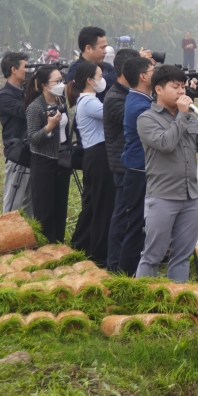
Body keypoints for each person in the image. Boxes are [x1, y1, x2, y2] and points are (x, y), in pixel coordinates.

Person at [135, 65, 198, 282]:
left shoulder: (192, 118)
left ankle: (176, 302)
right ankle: (143, 301)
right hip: (162, 196)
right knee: (152, 255)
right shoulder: (147, 119)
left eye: (183, 87)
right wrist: (182, 116)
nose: (182, 92)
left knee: (182, 256)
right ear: (158, 89)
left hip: (190, 196)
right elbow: (165, 143)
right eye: (175, 87)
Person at [69, 60, 116, 264]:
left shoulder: (87, 100)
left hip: (93, 155)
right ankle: (99, 253)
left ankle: (83, 244)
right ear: (89, 80)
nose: (103, 80)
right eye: (99, 76)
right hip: (98, 156)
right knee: (102, 205)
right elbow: (114, 116)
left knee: (93, 203)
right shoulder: (89, 102)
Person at [111, 56, 154, 275]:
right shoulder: (139, 105)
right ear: (143, 76)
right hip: (138, 171)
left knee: (138, 223)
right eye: (152, 69)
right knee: (136, 225)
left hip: (139, 168)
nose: (156, 73)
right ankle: (126, 274)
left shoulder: (141, 98)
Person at [24, 65, 72, 243]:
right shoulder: (35, 108)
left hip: (62, 160)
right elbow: (33, 139)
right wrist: (49, 127)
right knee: (45, 208)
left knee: (60, 205)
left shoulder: (60, 101)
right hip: (43, 162)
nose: (61, 84)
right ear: (45, 85)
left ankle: (59, 243)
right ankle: (46, 246)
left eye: (62, 80)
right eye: (57, 81)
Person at [103, 49, 137, 271]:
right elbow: (137, 120)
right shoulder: (116, 97)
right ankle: (115, 264)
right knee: (122, 215)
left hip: (128, 164)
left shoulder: (127, 95)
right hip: (123, 166)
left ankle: (126, 260)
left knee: (130, 215)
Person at [0, 51, 34, 215]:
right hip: (17, 154)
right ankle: (4, 237)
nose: (29, 70)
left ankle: (29, 237)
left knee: (32, 203)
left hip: (33, 150)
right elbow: (25, 110)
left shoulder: (26, 89)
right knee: (12, 205)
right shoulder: (5, 95)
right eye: (26, 66)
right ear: (14, 69)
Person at [66, 26, 115, 101]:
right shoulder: (76, 69)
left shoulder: (107, 67)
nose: (105, 51)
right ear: (88, 48)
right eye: (102, 47)